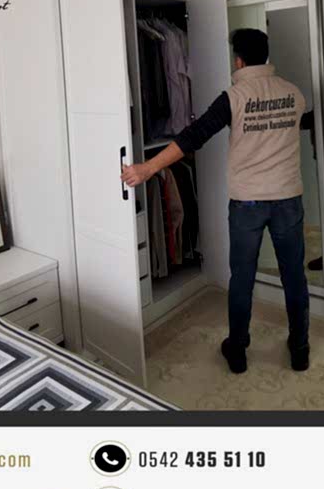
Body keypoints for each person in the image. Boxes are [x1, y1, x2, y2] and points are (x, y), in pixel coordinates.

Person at [121, 28, 311, 374]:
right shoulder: (293, 93)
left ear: (238, 60)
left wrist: (147, 168)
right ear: (265, 56)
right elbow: (295, 124)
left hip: (247, 204)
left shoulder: (233, 97)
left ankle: (237, 351)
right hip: (288, 199)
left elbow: (194, 136)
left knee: (242, 279)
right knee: (294, 276)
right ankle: (300, 349)